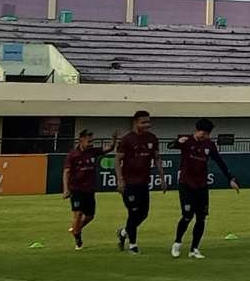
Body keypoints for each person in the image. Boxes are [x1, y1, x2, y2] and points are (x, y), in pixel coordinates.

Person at [167, 119, 240, 260]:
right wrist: (177, 142)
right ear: (197, 130)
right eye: (203, 133)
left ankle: (194, 249)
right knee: (187, 216)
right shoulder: (187, 141)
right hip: (186, 185)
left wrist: (230, 178)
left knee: (201, 218)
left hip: (201, 186)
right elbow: (170, 146)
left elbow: (220, 162)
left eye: (207, 134)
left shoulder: (209, 145)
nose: (205, 136)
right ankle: (177, 243)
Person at [114, 110, 166, 254]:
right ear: (135, 122)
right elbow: (117, 160)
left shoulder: (152, 138)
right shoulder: (127, 140)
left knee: (143, 214)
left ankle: (123, 233)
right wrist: (120, 180)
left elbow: (157, 158)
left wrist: (162, 177)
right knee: (133, 212)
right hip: (129, 183)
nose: (147, 125)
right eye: (144, 122)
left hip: (143, 182)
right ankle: (133, 245)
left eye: (148, 122)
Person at [62, 130, 118, 250]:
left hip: (89, 189)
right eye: (89, 141)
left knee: (90, 216)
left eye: (92, 141)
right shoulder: (73, 155)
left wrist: (114, 140)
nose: (91, 143)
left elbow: (109, 149)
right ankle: (78, 239)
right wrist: (66, 189)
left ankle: (76, 229)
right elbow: (66, 172)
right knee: (78, 214)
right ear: (80, 140)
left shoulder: (93, 152)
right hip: (76, 189)